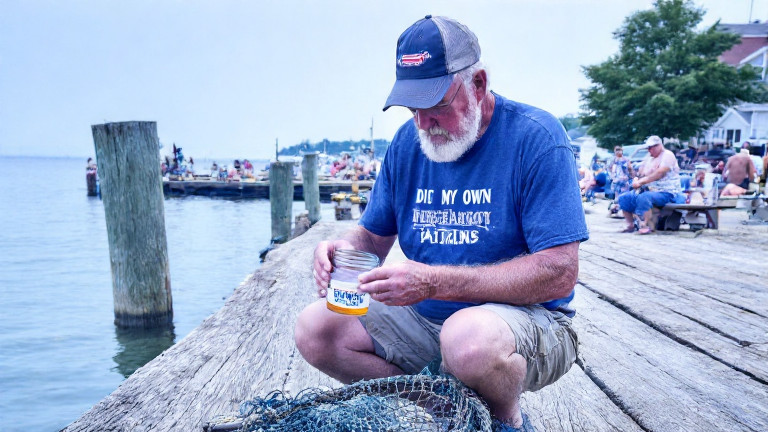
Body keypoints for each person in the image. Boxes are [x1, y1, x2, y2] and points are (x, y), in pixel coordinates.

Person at [294, 15, 588, 432]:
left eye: (436, 106)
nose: (422, 123)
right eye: (414, 108)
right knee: (315, 329)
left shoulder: (536, 137)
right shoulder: (406, 143)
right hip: (426, 320)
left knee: (467, 340)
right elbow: (371, 238)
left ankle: (506, 423)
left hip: (529, 324)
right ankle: (449, 411)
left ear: (478, 84)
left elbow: (559, 273)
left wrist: (435, 283)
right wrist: (343, 249)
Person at [617, 135, 681, 234]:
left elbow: (660, 173)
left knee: (644, 197)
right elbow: (640, 173)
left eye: (651, 147)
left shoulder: (668, 155)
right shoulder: (649, 159)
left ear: (659, 146)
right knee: (624, 197)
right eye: (648, 148)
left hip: (666, 192)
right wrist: (634, 176)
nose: (649, 150)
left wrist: (641, 182)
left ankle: (646, 225)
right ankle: (630, 224)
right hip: (649, 190)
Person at [607, 145, 635, 215]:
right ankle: (614, 210)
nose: (618, 152)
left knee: (624, 196)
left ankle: (620, 211)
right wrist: (612, 177)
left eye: (619, 150)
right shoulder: (613, 160)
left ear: (622, 151)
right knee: (617, 197)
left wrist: (632, 177)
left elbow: (630, 169)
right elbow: (609, 169)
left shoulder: (626, 159)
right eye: (616, 150)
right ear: (614, 151)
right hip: (616, 181)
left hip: (624, 181)